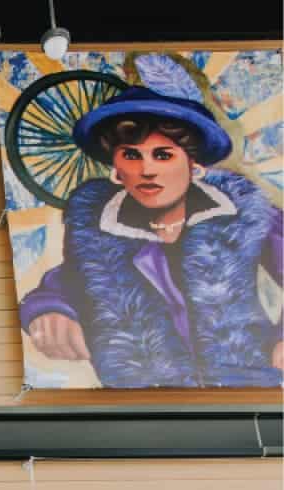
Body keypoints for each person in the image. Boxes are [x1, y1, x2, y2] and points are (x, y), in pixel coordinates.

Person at [19, 86, 284, 388]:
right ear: (116, 169)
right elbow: (69, 278)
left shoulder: (242, 212)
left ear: (193, 165)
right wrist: (48, 309)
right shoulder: (95, 230)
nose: (147, 170)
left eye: (163, 155)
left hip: (246, 386)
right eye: (131, 155)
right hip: (142, 397)